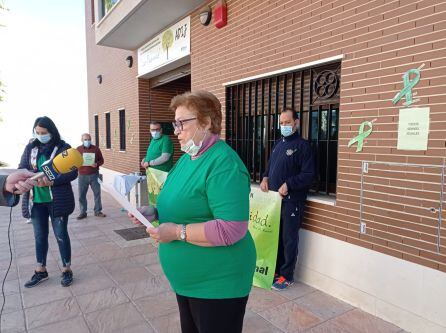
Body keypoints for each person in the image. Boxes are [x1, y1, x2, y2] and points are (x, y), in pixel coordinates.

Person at [129, 91, 256, 333]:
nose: (175, 130)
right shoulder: (188, 157)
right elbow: (184, 202)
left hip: (217, 283)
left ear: (207, 122)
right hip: (188, 283)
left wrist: (177, 232)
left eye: (182, 123)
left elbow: (232, 228)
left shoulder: (223, 163)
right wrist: (153, 211)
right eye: (174, 124)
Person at [19, 116, 78, 288]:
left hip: (57, 200)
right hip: (36, 200)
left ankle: (67, 269)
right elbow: (22, 167)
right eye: (37, 132)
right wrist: (26, 176)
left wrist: (53, 181)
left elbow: (72, 172)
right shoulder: (31, 147)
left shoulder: (63, 148)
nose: (40, 135)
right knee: (39, 236)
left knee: (61, 235)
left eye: (43, 133)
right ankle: (41, 270)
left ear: (51, 132)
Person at [260, 107, 315, 291]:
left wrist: (289, 184)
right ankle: (276, 270)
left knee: (289, 239)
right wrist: (265, 177)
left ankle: (287, 275)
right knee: (276, 237)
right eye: (281, 123)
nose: (284, 126)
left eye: (287, 122)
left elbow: (308, 175)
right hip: (275, 202)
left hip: (292, 201)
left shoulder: (303, 146)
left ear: (296, 123)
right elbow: (270, 166)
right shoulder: (278, 144)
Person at [76, 133, 106, 219]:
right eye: (85, 139)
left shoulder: (96, 149)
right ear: (82, 140)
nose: (87, 141)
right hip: (82, 175)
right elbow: (74, 161)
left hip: (94, 175)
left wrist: (96, 164)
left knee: (97, 194)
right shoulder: (78, 149)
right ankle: (83, 212)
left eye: (89, 139)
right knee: (81, 195)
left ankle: (98, 211)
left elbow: (102, 160)